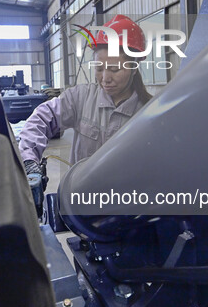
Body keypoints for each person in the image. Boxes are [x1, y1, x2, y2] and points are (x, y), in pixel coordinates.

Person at [18, 15, 152, 211]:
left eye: (114, 69)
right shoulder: (80, 98)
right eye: (99, 68)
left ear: (134, 66)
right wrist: (29, 160)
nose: (105, 78)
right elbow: (41, 119)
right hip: (83, 203)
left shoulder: (149, 111)